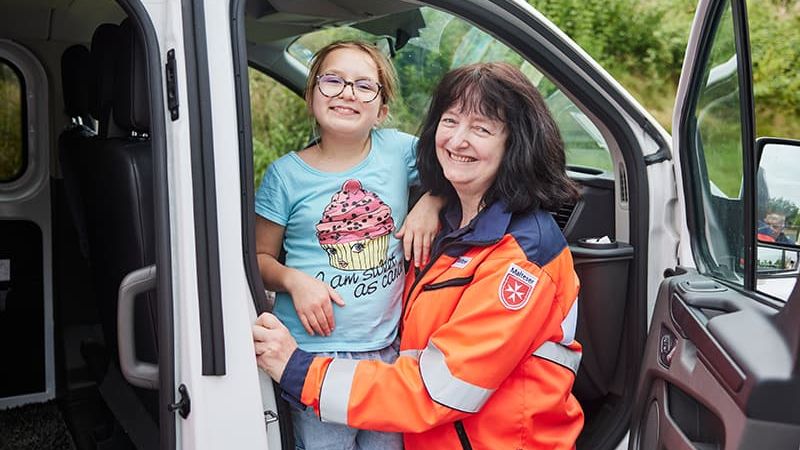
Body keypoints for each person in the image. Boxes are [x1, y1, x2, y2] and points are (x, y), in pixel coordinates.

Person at [254, 62, 584, 449]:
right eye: (450, 121)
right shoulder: (446, 222)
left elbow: (434, 390)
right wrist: (433, 199)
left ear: (515, 144)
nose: (458, 140)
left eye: (481, 129)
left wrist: (298, 369)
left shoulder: (521, 258)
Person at [254, 41, 442, 450]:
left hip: (388, 354)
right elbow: (258, 258)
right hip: (309, 358)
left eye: (363, 85)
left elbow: (453, 169)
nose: (347, 92)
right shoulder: (285, 176)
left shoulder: (398, 152)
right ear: (311, 95)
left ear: (382, 110)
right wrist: (293, 280)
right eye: (333, 80)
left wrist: (431, 200)